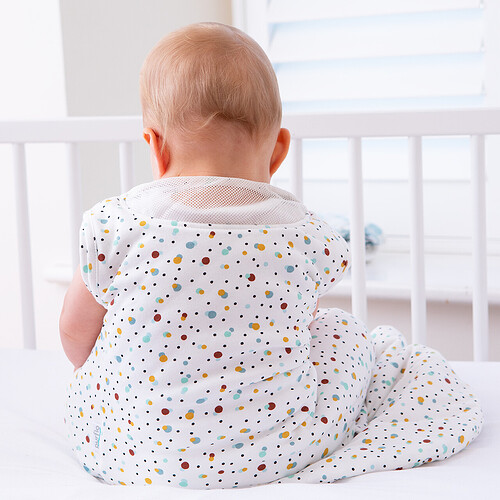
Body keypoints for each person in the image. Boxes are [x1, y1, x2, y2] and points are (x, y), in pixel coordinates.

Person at [60, 22, 482, 489]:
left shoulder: (116, 226)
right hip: (279, 452)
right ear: (278, 149)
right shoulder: (305, 235)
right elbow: (300, 325)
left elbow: (75, 334)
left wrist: (107, 376)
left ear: (155, 147)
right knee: (337, 328)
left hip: (136, 455)